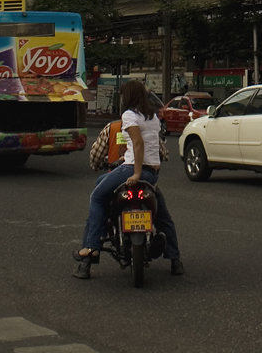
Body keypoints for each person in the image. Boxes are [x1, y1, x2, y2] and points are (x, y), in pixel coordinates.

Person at [74, 80, 183, 279]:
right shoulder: (152, 117)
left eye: (123, 94)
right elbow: (152, 146)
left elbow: (138, 144)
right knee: (163, 216)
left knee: (97, 197)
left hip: (133, 169)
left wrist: (136, 173)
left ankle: (91, 249)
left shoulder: (129, 115)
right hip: (152, 173)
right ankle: (175, 260)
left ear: (128, 96)